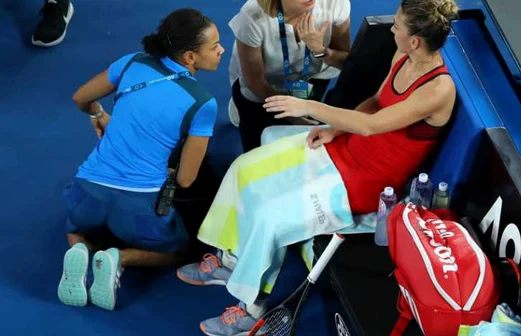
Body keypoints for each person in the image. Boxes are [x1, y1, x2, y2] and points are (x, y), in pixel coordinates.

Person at [179, 0, 458, 334]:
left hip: (367, 179)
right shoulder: (403, 56)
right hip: (347, 145)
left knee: (271, 217)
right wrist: (336, 129)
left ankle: (251, 312)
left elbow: (373, 125)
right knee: (243, 167)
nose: (392, 28)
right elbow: (374, 104)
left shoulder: (439, 89)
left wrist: (310, 107)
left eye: (397, 25)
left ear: (415, 40)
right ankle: (232, 260)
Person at [57, 8, 225, 311]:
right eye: (214, 46)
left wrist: (98, 114)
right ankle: (117, 258)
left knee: (75, 226)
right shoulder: (203, 103)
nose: (221, 50)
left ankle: (81, 248)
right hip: (138, 210)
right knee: (180, 250)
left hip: (87, 193)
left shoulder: (131, 62)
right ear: (189, 57)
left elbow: (80, 98)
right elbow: (186, 179)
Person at [228, 0, 352, 152]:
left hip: (313, 77)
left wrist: (320, 50)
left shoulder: (335, 3)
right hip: (264, 85)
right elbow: (255, 80)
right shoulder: (252, 16)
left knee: (299, 142)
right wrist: (291, 116)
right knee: (256, 146)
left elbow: (344, 62)